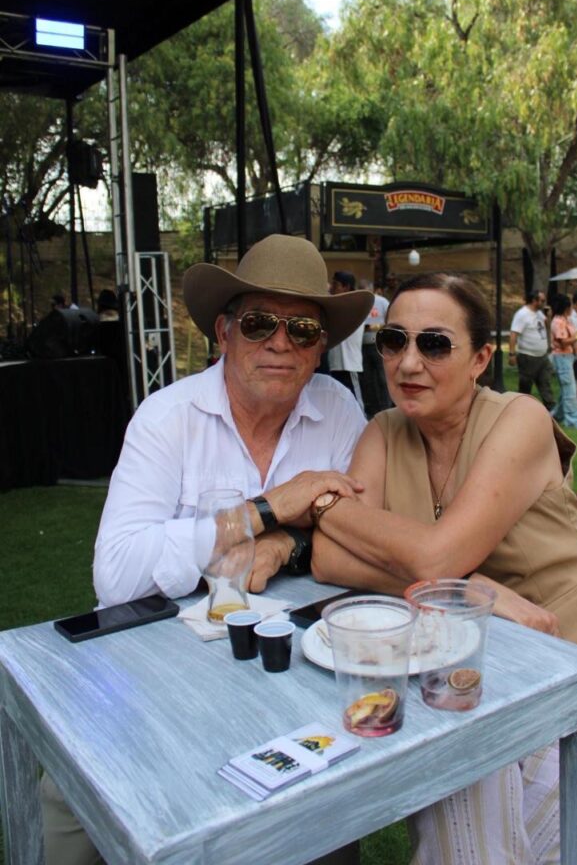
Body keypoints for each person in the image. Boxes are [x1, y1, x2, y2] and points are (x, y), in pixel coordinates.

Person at [277, 272, 577, 865]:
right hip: (466, 679)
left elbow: (438, 556)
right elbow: (329, 559)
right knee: (465, 842)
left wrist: (326, 504)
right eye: (394, 340)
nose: (409, 362)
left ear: (481, 359)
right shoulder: (383, 431)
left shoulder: (520, 419)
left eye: (434, 344)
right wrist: (470, 589)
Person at [43, 234, 374, 865]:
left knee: (325, 807)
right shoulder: (165, 418)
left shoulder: (337, 410)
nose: (280, 343)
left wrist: (281, 546)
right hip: (152, 670)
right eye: (259, 323)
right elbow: (117, 575)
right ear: (224, 332)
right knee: (76, 807)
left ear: (320, 348)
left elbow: (359, 524)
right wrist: (264, 510)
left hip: (288, 667)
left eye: (303, 329)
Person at [508, 290, 555, 410]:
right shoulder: (522, 314)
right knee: (526, 385)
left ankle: (551, 410)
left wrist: (549, 317)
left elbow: (547, 326)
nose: (544, 303)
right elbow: (514, 334)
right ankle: (522, 410)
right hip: (528, 356)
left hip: (542, 356)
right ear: (534, 300)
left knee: (545, 382)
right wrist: (512, 354)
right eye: (542, 300)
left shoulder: (539, 313)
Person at [327, 270, 365, 410]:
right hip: (335, 364)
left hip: (349, 364)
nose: (331, 288)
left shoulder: (355, 305)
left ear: (346, 287)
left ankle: (362, 423)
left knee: (356, 403)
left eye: (335, 285)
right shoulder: (336, 306)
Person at [549, 293, 577, 431]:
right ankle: (572, 420)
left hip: (569, 356)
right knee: (570, 389)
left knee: (567, 388)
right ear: (566, 307)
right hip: (562, 357)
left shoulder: (567, 320)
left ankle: (556, 415)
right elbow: (563, 342)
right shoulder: (557, 322)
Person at [358, 279, 392, 418]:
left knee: (382, 377)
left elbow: (390, 321)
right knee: (367, 379)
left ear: (371, 289)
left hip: (379, 344)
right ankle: (373, 409)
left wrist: (372, 327)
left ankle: (386, 406)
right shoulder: (360, 303)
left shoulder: (382, 302)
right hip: (362, 345)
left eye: (365, 289)